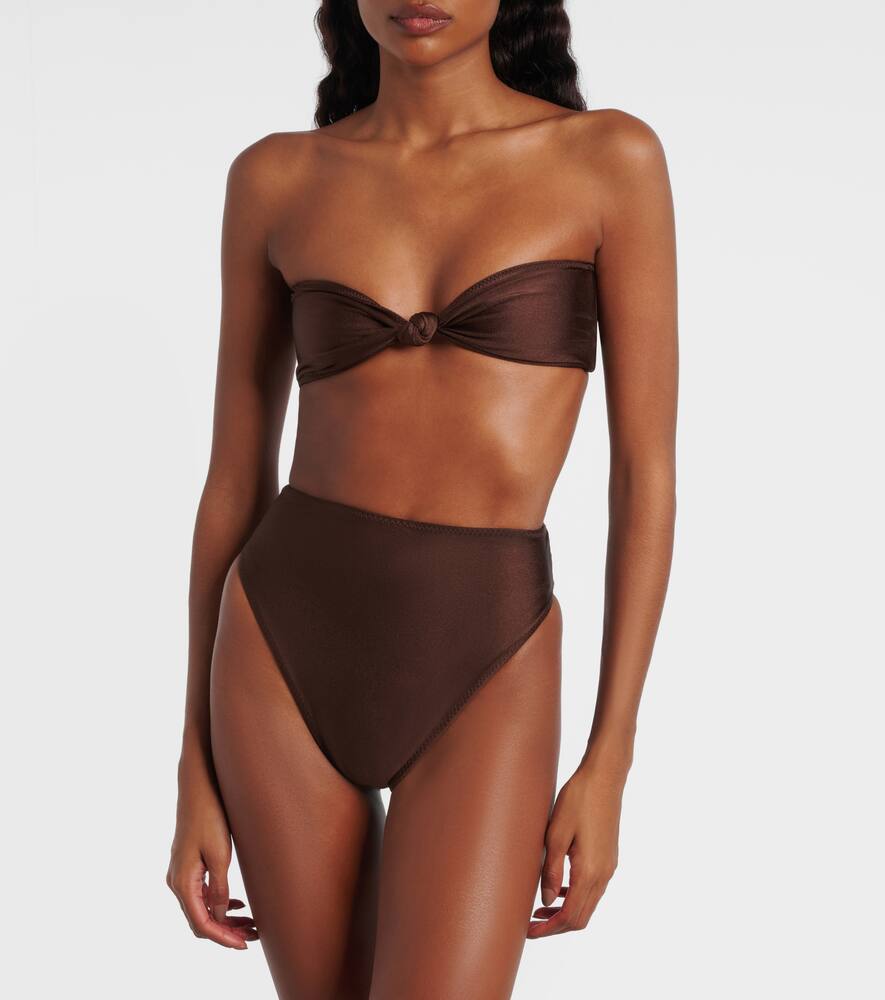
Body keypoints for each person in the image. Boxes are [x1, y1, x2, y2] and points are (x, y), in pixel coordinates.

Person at [166, 1, 678, 997]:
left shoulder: (608, 162)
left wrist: (608, 759)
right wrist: (193, 762)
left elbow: (644, 474)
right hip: (279, 642)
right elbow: (233, 478)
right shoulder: (276, 178)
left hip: (488, 646)